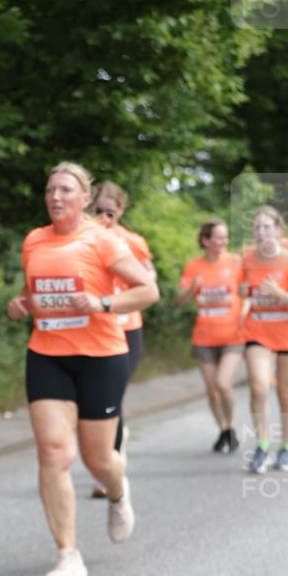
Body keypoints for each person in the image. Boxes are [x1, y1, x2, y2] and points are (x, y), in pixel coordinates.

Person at [7, 162, 159, 576]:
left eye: (66, 190)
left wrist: (103, 303)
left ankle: (117, 491)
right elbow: (30, 294)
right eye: (50, 189)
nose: (56, 197)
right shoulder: (34, 240)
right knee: (54, 452)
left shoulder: (103, 240)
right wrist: (19, 305)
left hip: (100, 355)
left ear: (85, 198)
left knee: (98, 460)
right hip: (47, 353)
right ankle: (67, 555)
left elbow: (148, 291)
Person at [90, 180, 157, 496]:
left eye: (110, 211)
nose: (104, 216)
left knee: (111, 397)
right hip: (93, 330)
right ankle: (108, 461)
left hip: (126, 329)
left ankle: (110, 468)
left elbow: (149, 278)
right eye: (98, 210)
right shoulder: (84, 239)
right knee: (95, 401)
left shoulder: (131, 241)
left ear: (121, 210)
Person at [240, 205, 288, 474]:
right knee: (258, 387)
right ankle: (261, 446)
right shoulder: (246, 259)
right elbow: (242, 290)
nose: (261, 232)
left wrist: (279, 294)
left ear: (279, 230)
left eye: (267, 227)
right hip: (257, 333)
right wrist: (242, 297)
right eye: (257, 227)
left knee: (286, 394)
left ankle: (286, 447)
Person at [178, 219, 244, 453]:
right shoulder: (193, 266)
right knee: (211, 389)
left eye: (225, 237)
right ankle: (224, 429)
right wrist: (192, 288)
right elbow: (181, 300)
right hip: (204, 337)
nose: (223, 241)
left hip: (233, 335)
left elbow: (248, 291)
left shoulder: (235, 262)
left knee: (223, 383)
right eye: (218, 237)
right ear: (205, 240)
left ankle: (231, 425)